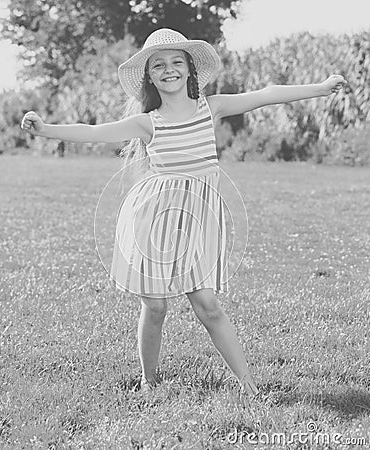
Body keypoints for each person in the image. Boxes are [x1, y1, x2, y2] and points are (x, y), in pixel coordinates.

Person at [21, 28, 346, 399]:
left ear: (191, 70)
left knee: (207, 304)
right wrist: (45, 129)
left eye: (177, 62)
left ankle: (251, 388)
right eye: (159, 65)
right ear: (149, 76)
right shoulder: (148, 123)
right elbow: (94, 131)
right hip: (155, 219)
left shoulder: (212, 108)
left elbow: (266, 95)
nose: (169, 69)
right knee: (155, 305)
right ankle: (148, 380)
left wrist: (319, 88)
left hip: (198, 219)